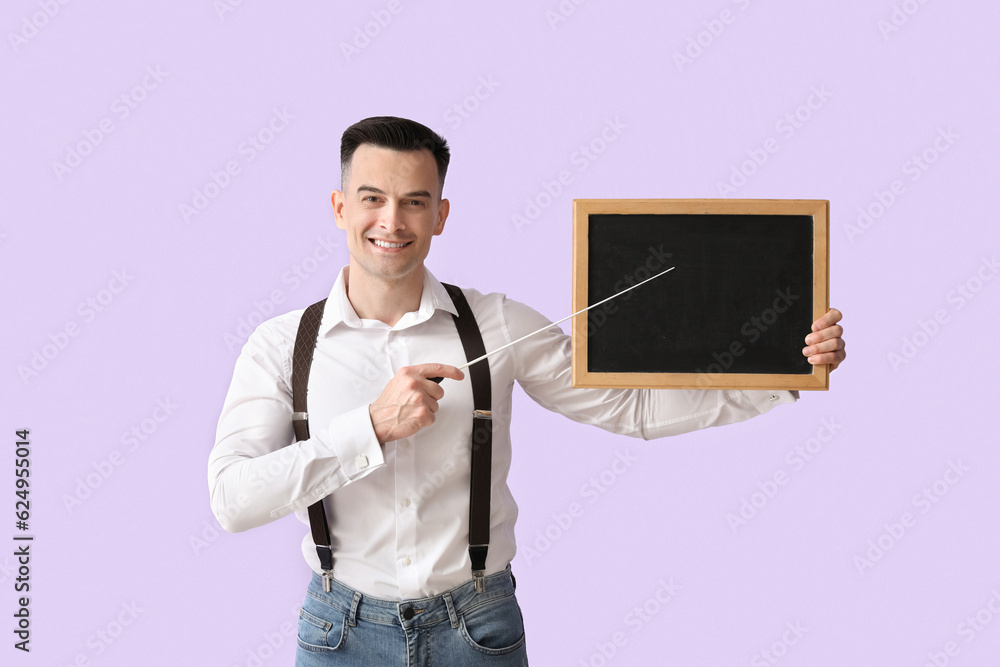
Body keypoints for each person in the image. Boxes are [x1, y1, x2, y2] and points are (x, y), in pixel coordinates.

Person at [208, 116, 847, 666]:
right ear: (340, 207)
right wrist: (369, 428)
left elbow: (633, 407)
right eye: (372, 198)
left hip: (477, 628)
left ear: (440, 215)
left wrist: (785, 368)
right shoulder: (281, 344)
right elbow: (232, 500)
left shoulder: (498, 323)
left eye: (414, 201)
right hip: (338, 632)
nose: (391, 220)